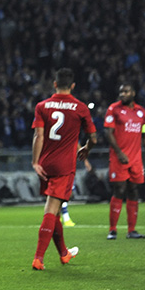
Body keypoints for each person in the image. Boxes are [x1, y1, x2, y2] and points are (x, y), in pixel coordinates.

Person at [31, 68, 97, 270]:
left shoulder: (42, 106)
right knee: (51, 209)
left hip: (46, 163)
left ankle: (64, 253)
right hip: (64, 166)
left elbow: (38, 136)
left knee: (56, 210)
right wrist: (87, 149)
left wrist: (35, 162)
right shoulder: (80, 107)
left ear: (54, 84)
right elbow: (93, 138)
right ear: (73, 86)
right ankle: (38, 258)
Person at [103, 83, 145, 240]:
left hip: (136, 159)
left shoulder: (141, 112)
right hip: (119, 158)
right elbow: (108, 132)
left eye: (125, 91)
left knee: (133, 190)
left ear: (133, 93)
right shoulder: (114, 109)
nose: (122, 94)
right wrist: (119, 153)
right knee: (119, 189)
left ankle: (132, 230)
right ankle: (112, 230)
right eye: (121, 92)